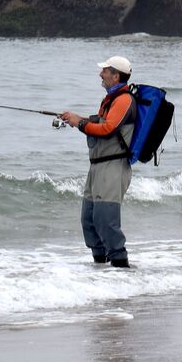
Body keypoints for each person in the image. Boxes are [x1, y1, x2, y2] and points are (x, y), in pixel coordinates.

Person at [58, 56, 137, 268]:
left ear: (116, 75)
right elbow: (101, 122)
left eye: (105, 71)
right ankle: (100, 273)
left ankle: (122, 271)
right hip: (97, 166)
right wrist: (75, 118)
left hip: (113, 166)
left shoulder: (124, 100)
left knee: (105, 221)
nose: (100, 74)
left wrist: (79, 123)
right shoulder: (111, 99)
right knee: (89, 220)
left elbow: (107, 129)